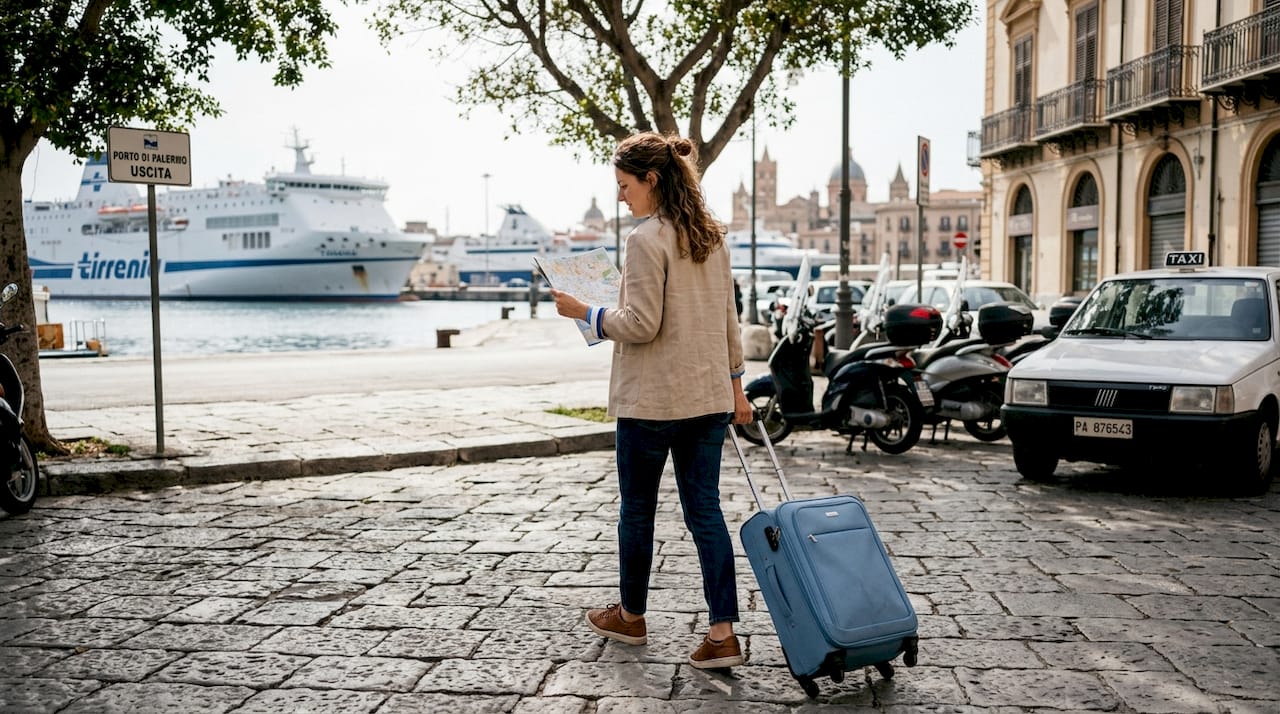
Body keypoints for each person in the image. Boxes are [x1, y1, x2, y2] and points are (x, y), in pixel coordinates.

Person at [549, 131, 753, 669]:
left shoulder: (646, 239)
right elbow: (729, 323)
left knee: (637, 512)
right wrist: (736, 388)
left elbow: (641, 325)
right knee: (705, 514)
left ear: (651, 180)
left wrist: (584, 311)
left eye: (624, 185)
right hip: (708, 398)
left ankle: (632, 616)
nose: (621, 197)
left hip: (653, 403)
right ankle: (722, 635)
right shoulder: (712, 236)